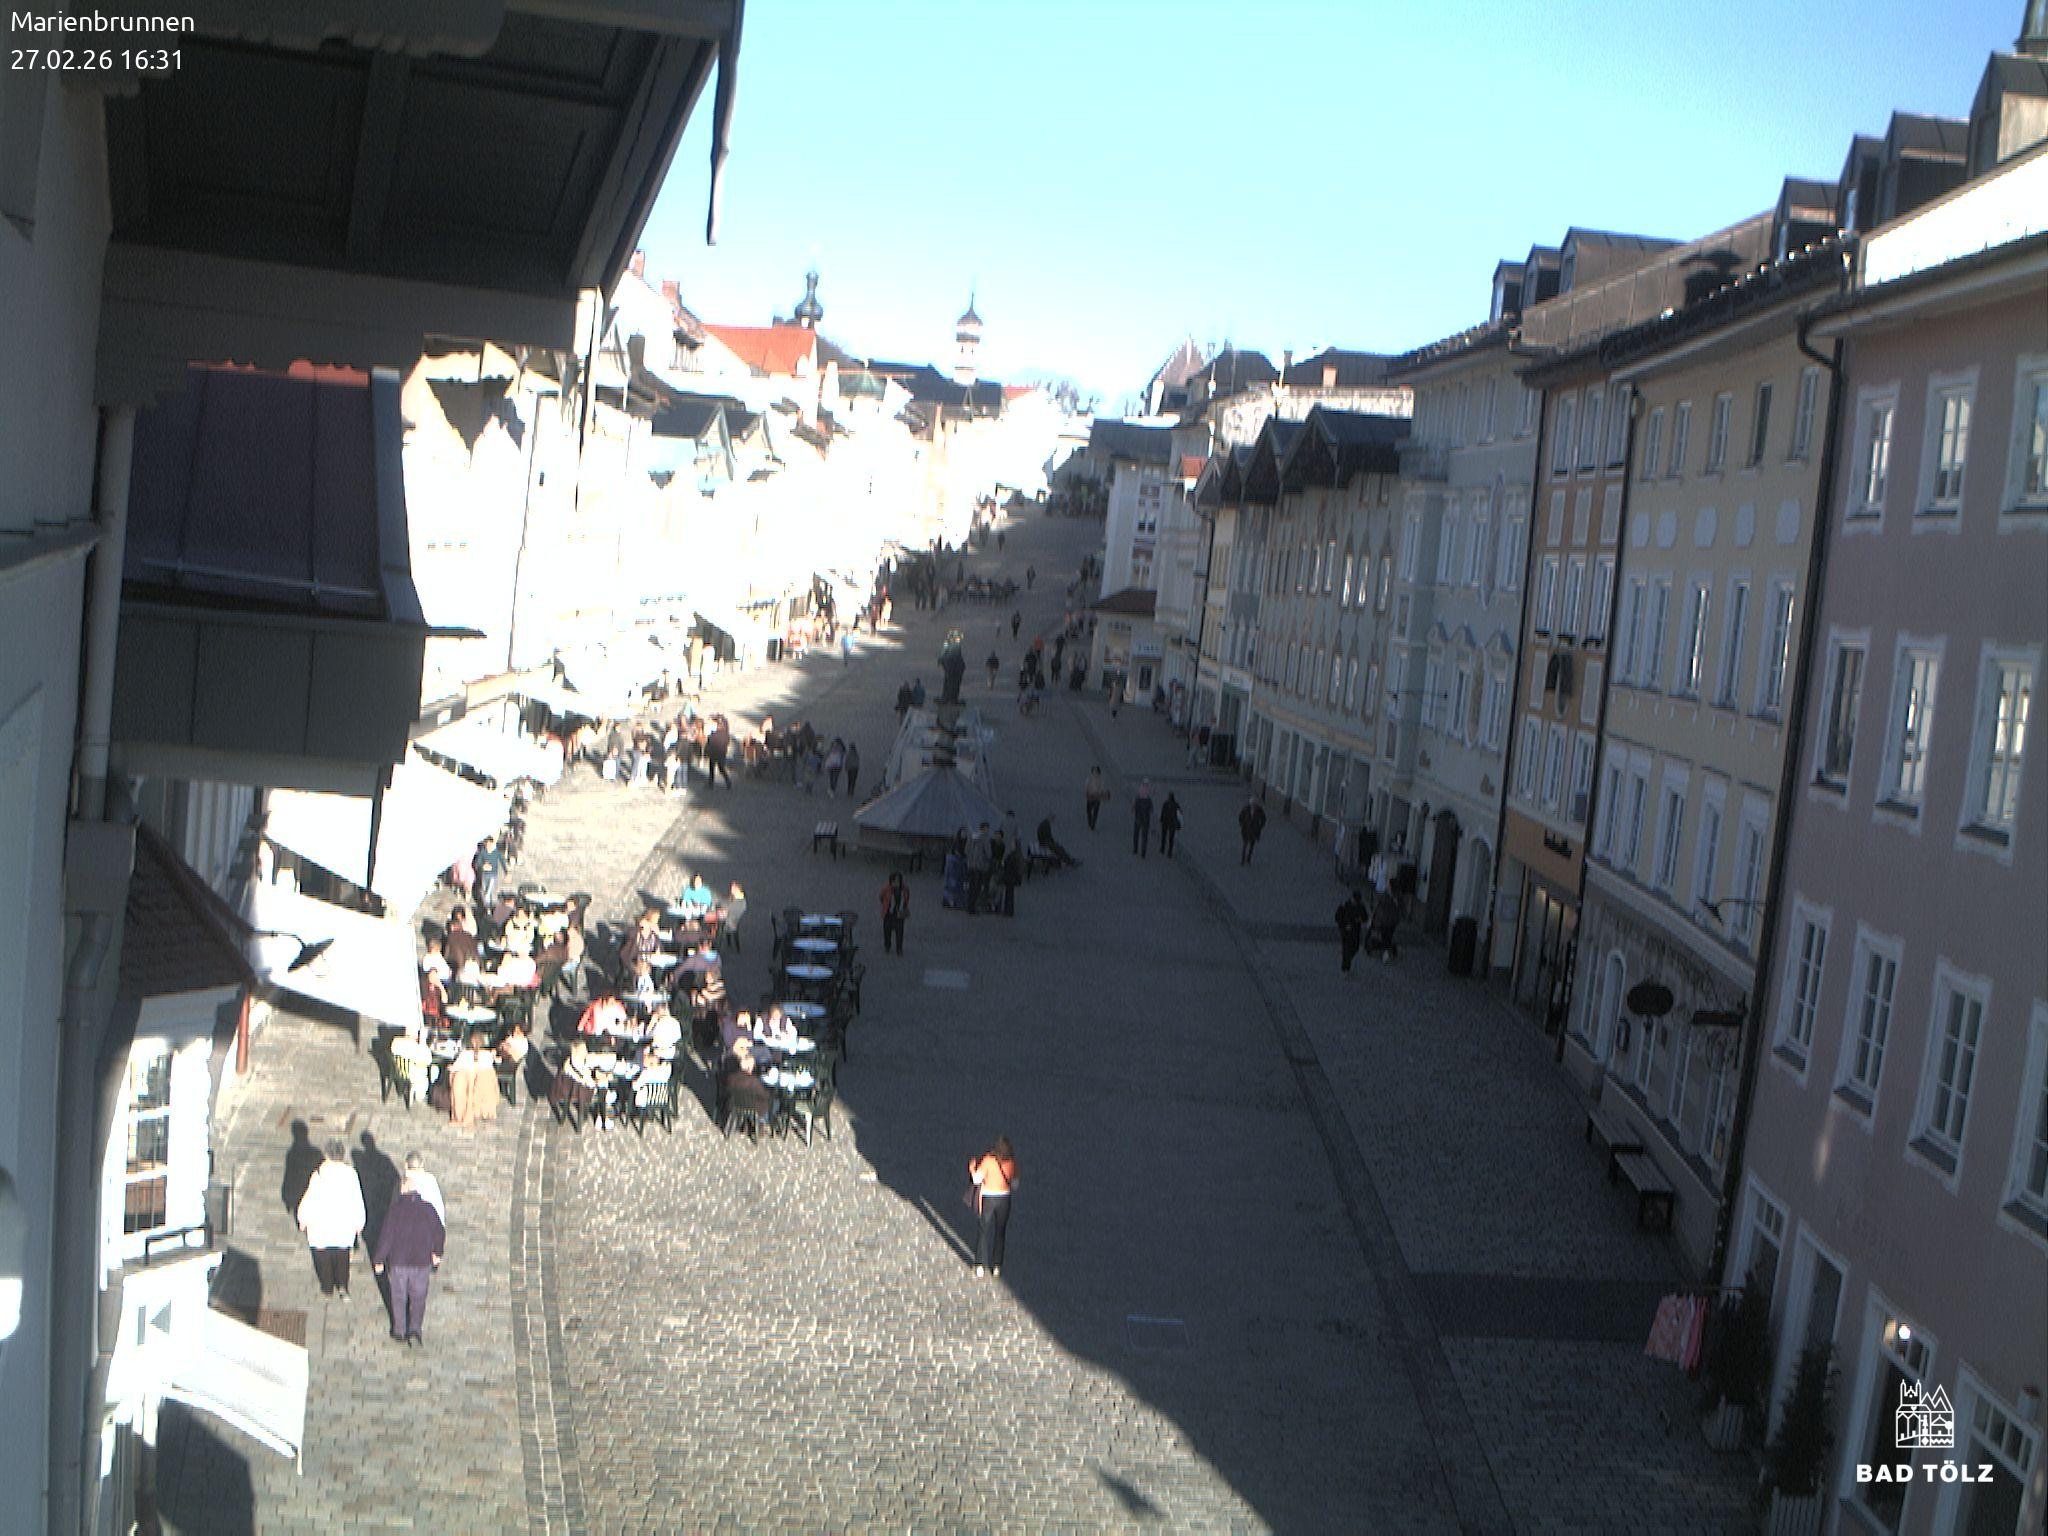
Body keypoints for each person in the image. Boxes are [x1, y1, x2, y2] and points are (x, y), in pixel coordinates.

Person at [372, 1166, 445, 1347]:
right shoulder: (428, 1210)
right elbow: (439, 1233)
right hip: (421, 1261)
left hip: (399, 1262)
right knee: (419, 1296)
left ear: (402, 1191)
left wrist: (379, 1260)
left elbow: (386, 1238)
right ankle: (415, 1328)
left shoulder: (395, 1211)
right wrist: (437, 1253)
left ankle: (399, 1329)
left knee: (398, 1295)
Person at [296, 1140, 366, 1301]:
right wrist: (359, 1222)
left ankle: (327, 1287)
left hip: (321, 1225)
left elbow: (309, 1199)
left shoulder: (318, 1174)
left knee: (323, 1257)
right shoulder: (351, 1174)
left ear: (327, 1155)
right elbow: (357, 1199)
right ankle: (343, 1287)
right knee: (343, 1257)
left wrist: (303, 1218)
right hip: (343, 1225)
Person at [967, 1136, 1018, 1278]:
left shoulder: (988, 1160)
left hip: (989, 1198)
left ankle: (979, 1265)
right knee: (1000, 1232)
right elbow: (1015, 1184)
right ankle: (997, 1265)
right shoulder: (1011, 1162)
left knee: (983, 1231)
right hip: (1004, 1200)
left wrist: (972, 1169)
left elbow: (976, 1179)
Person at [1335, 890, 1369, 975]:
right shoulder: (1344, 906)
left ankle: (1347, 959)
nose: (1356, 903)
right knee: (1346, 948)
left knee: (1355, 947)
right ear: (1352, 898)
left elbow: (1365, 917)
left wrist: (1361, 919)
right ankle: (1345, 968)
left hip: (1356, 930)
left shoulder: (1361, 906)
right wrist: (1344, 925)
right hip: (1346, 931)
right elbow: (1338, 917)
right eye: (1355, 901)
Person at [965, 822, 993, 916]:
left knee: (971, 886)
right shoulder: (985, 838)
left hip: (970, 865)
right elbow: (989, 854)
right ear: (985, 829)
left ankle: (969, 906)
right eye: (987, 829)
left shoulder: (972, 836)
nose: (988, 831)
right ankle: (973, 908)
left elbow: (966, 850)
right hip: (980, 866)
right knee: (977, 888)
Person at [879, 872, 910, 955]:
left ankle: (899, 948)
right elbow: (881, 897)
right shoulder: (886, 889)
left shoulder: (904, 889)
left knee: (900, 932)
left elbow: (907, 898)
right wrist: (886, 905)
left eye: (898, 881)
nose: (896, 883)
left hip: (899, 913)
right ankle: (887, 946)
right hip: (888, 913)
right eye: (894, 881)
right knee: (887, 931)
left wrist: (904, 908)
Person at [1369, 886, 1402, 963]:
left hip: (1385, 923)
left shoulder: (1385, 898)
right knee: (1387, 938)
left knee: (1385, 938)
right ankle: (1392, 951)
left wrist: (1375, 921)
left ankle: (1387, 954)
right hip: (1392, 923)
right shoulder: (1397, 898)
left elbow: (1379, 911)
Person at [473, 835, 503, 908]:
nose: (488, 845)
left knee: (489, 889)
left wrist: (507, 871)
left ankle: (488, 905)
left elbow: (502, 861)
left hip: (493, 874)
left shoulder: (496, 852)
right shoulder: (482, 853)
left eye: (490, 843)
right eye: (487, 844)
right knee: (485, 889)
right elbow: (477, 862)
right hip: (484, 874)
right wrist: (482, 865)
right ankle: (487, 904)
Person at [1238, 798, 1268, 865]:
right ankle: (1242, 860)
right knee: (1245, 845)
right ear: (1250, 803)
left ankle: (1248, 859)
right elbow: (1240, 817)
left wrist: (1260, 827)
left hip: (1254, 831)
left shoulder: (1259, 810)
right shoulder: (1245, 809)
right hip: (1246, 830)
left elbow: (1264, 819)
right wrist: (1242, 824)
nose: (1253, 805)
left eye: (1254, 804)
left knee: (1252, 846)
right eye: (1252, 804)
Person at [997, 839, 1022, 917]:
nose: (1011, 845)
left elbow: (1010, 865)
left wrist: (1004, 863)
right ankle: (1009, 911)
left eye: (1012, 844)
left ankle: (1008, 911)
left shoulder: (1013, 855)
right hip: (1012, 877)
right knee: (1010, 894)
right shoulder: (1017, 855)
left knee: (1009, 895)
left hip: (1010, 876)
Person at [1131, 779, 1154, 858]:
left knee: (1136, 834)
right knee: (1144, 837)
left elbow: (1133, 807)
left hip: (1138, 818)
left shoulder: (1137, 798)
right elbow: (1151, 810)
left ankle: (1135, 849)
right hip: (1146, 820)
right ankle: (1143, 852)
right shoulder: (1149, 800)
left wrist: (1134, 809)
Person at [1158, 793, 1183, 858]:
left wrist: (1161, 819)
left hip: (1166, 822)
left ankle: (1163, 849)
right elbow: (1180, 814)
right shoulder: (1176, 805)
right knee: (1171, 838)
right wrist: (1178, 823)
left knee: (1164, 836)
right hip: (1172, 823)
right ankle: (1169, 851)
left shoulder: (1165, 804)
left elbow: (1163, 812)